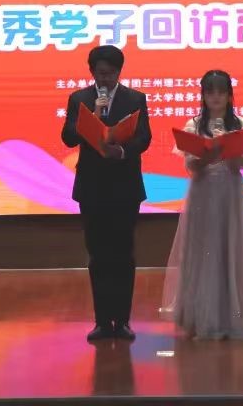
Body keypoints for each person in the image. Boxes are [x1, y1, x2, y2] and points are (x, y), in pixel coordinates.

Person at [160, 69, 243, 340]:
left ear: (230, 95)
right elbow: (191, 166)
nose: (216, 97)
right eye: (210, 92)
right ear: (203, 96)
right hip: (203, 191)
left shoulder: (241, 124)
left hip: (230, 191)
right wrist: (208, 156)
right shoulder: (194, 124)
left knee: (231, 247)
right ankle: (200, 317)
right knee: (203, 249)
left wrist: (230, 150)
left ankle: (232, 317)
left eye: (221, 92)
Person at [61, 45, 152, 342]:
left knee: (123, 255)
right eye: (100, 74)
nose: (105, 79)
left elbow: (144, 138)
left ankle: (122, 321)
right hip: (92, 187)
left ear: (119, 72)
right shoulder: (80, 99)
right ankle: (102, 322)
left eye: (111, 74)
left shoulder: (135, 99)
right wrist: (91, 119)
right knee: (98, 255)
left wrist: (121, 150)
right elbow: (67, 138)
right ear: (91, 72)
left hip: (125, 187)